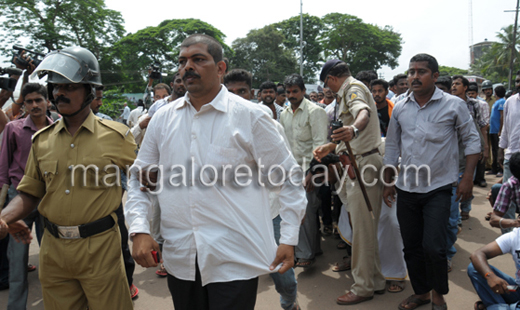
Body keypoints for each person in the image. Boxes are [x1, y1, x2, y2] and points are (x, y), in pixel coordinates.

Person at [125, 34, 306, 310]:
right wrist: (139, 229)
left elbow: (290, 181)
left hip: (234, 260)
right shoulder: (163, 118)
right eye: (182, 61)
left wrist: (289, 239)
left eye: (198, 59)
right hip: (181, 259)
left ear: (220, 68)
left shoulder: (251, 116)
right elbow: (141, 179)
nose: (187, 67)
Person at [0, 46, 136, 309]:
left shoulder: (118, 136)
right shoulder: (41, 140)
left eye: (68, 86)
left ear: (90, 90)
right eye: (55, 86)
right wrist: (4, 218)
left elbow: (143, 184)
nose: (59, 92)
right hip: (53, 252)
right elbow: (30, 192)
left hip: (101, 249)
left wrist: (144, 231)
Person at [383, 53, 481, 310]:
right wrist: (388, 181)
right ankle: (422, 293)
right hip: (406, 188)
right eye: (411, 71)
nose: (414, 76)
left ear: (435, 76)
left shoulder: (453, 105)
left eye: (421, 72)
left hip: (439, 187)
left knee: (435, 248)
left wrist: (467, 177)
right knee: (411, 246)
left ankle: (439, 295)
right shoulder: (401, 107)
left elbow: (472, 141)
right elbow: (392, 146)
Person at [223, 68, 300, 310]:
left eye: (242, 91)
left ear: (251, 93)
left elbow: (287, 174)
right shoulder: (215, 128)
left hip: (270, 210)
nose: (236, 97)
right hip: (233, 215)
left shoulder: (268, 124)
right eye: (230, 92)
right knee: (233, 280)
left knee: (281, 272)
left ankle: (289, 302)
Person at [313, 59, 387, 305]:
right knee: (365, 227)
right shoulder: (349, 90)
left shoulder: (353, 89)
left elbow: (362, 113)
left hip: (363, 166)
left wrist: (353, 130)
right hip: (357, 163)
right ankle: (374, 280)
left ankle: (363, 286)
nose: (329, 90)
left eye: (328, 84)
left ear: (331, 79)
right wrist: (331, 145)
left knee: (363, 231)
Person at [0, 83, 52, 309]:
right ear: (25, 104)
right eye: (29, 101)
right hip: (18, 199)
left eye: (39, 100)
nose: (34, 105)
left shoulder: (57, 127)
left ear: (47, 102)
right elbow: (3, 168)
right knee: (17, 262)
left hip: (49, 199)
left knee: (51, 259)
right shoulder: (13, 128)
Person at [279, 73, 328, 268]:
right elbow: (283, 144)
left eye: (295, 91)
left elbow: (320, 145)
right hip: (292, 170)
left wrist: (311, 172)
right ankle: (311, 250)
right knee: (298, 211)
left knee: (307, 210)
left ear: (304, 91)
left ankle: (306, 253)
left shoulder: (315, 112)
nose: (291, 95)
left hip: (311, 169)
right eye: (288, 92)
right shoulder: (284, 114)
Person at [468, 226, 520, 309]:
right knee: (474, 268)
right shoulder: (515, 236)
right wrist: (490, 276)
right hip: (517, 289)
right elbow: (477, 255)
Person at [497, 71, 520, 234]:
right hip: (512, 156)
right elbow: (505, 127)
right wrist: (500, 149)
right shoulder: (510, 102)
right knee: (508, 199)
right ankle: (511, 239)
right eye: (518, 81)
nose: (519, 84)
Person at [489, 86, 506, 177]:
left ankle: (500, 169)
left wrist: (501, 130)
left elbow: (502, 116)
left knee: (498, 150)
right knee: (494, 150)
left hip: (497, 130)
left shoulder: (502, 102)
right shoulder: (497, 102)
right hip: (492, 130)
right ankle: (494, 168)